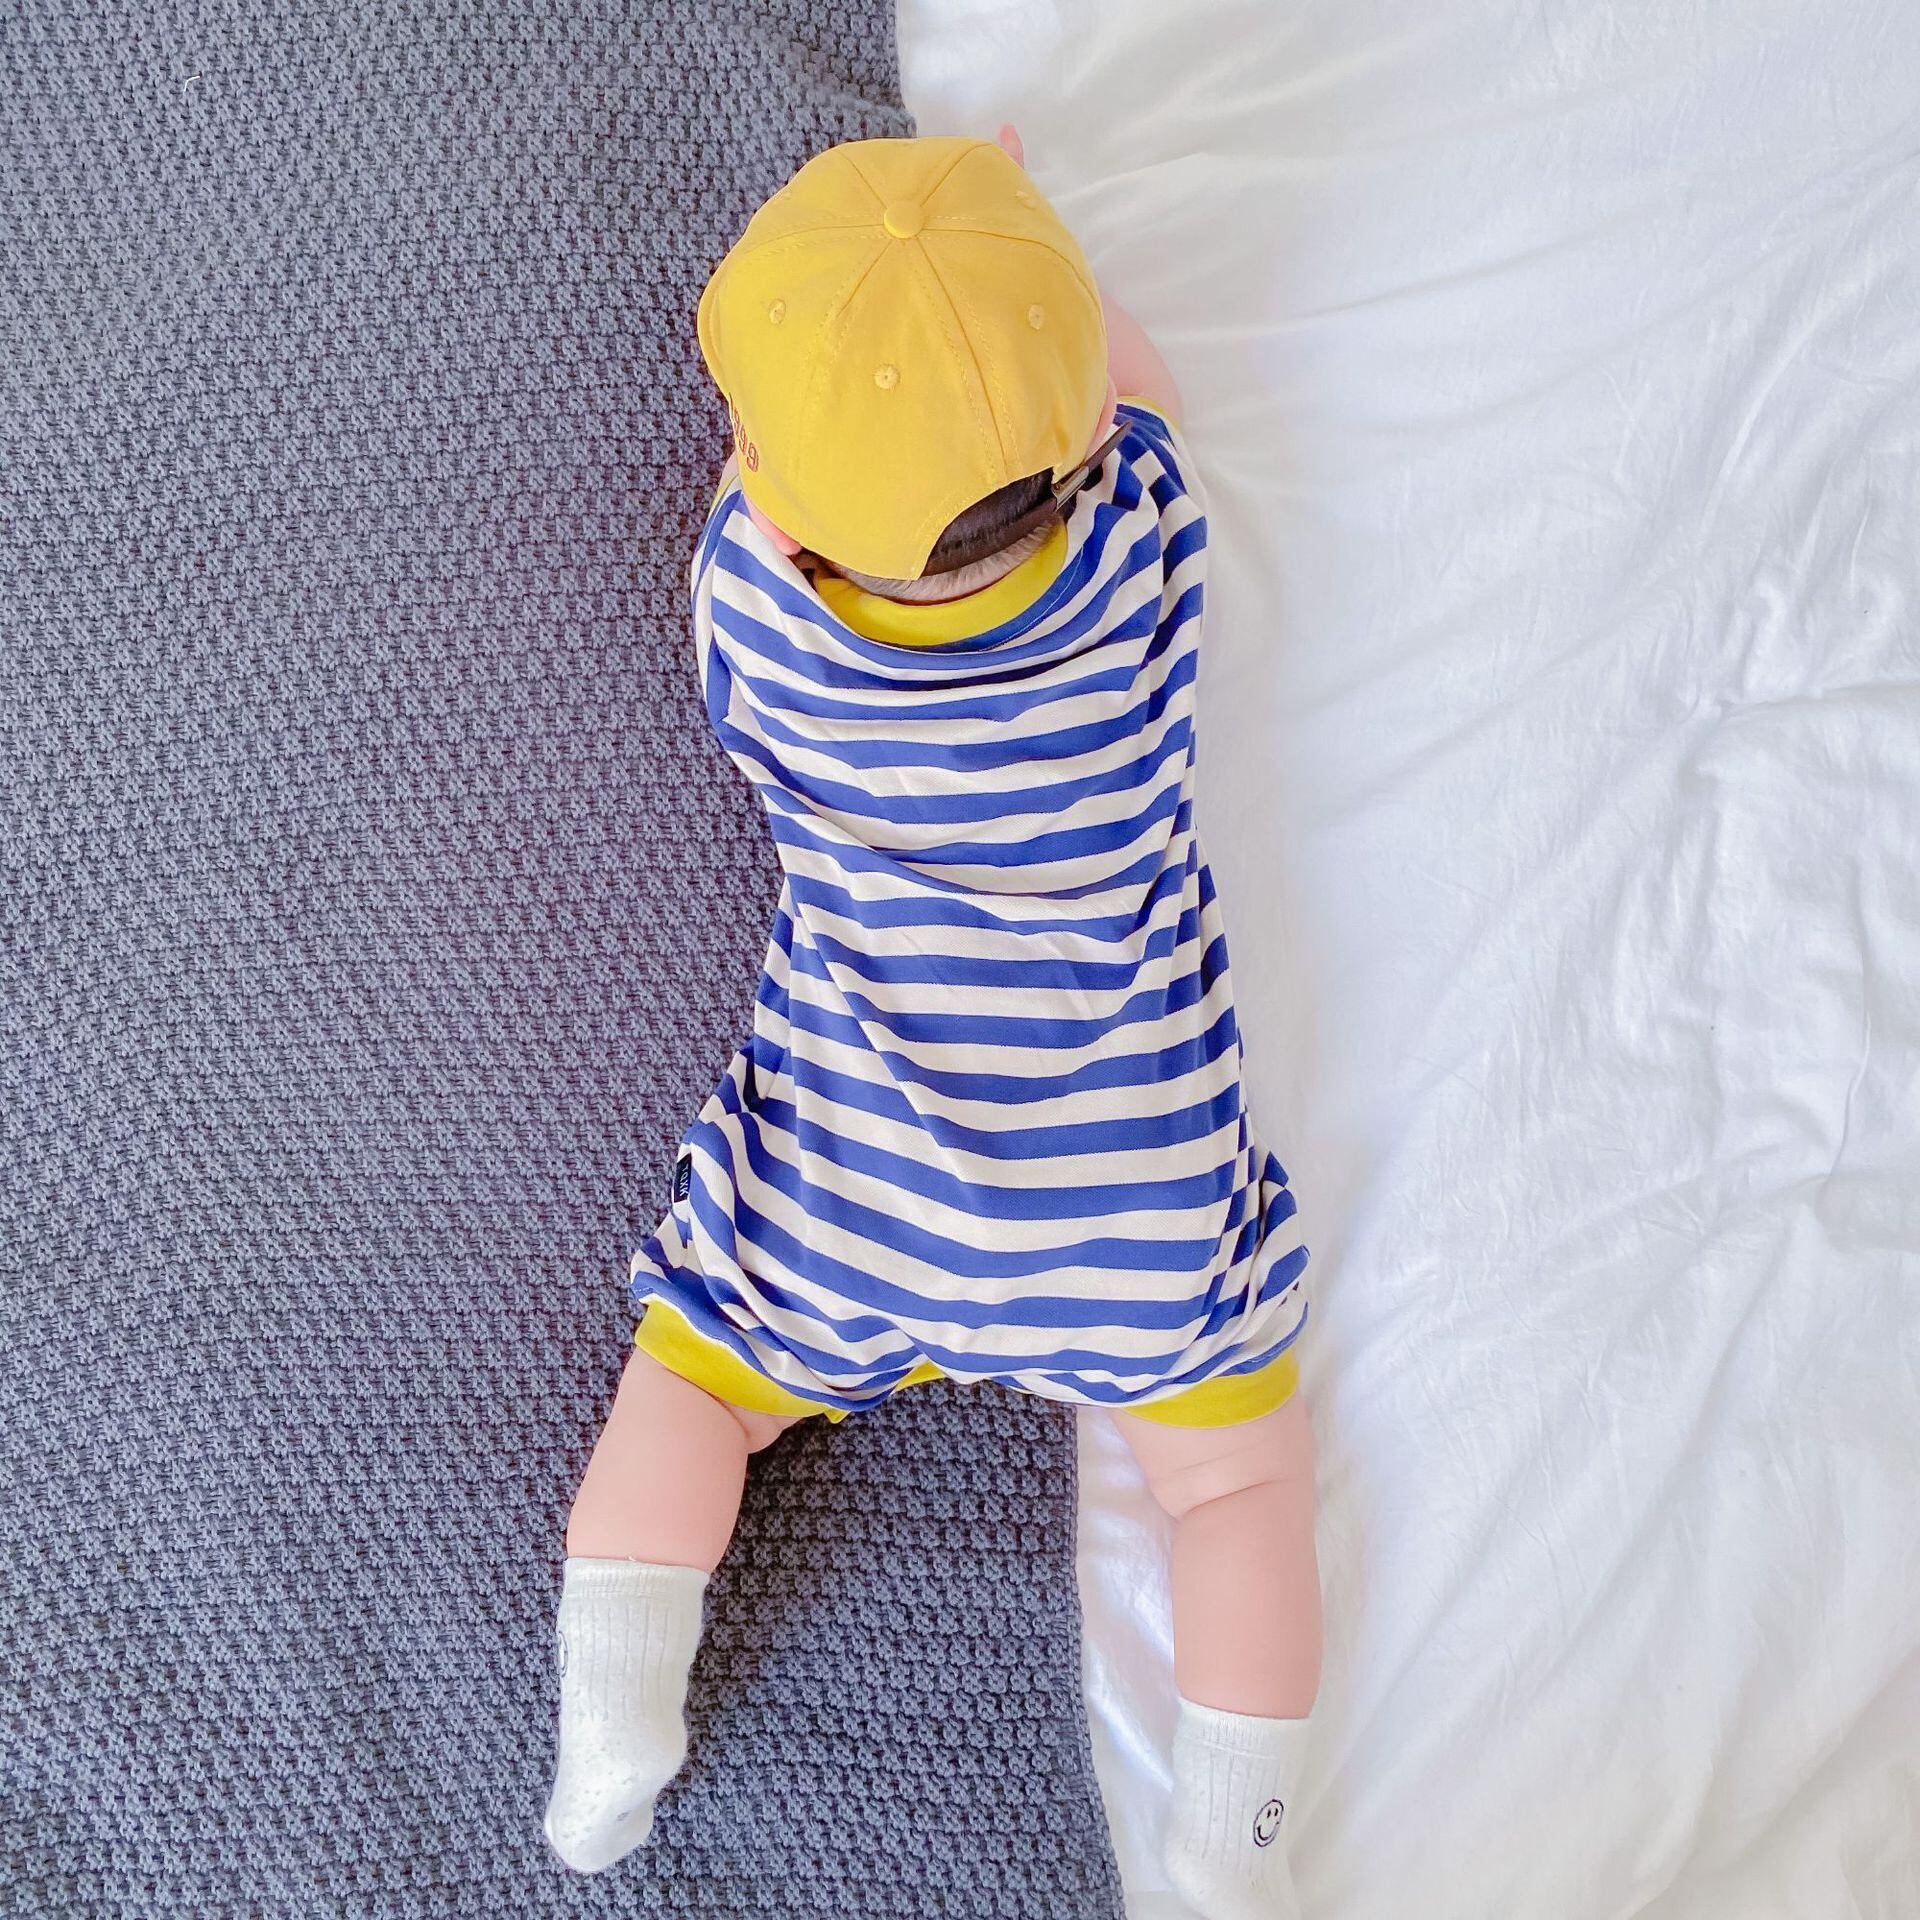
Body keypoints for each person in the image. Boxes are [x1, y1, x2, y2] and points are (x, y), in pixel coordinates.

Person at [543, 124, 1322, 1919]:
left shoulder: (763, 625)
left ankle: (610, 1734)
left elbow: (761, 506)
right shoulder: (1144, 555)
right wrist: (1015, 283)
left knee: (692, 1392)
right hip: (1129, 1213)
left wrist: (809, 447)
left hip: (855, 1194)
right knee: (1236, 1494)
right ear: (1084, 431)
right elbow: (1141, 392)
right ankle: (1238, 1850)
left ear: (778, 506)